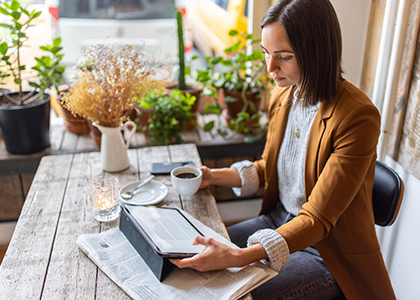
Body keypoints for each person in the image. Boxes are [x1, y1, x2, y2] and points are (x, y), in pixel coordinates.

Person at [170, 0, 396, 299]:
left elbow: (317, 219)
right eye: (266, 54)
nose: (271, 68)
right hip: (277, 220)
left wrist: (238, 257)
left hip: (326, 251)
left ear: (317, 53)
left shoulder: (357, 116)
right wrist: (214, 176)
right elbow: (270, 166)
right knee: (184, 255)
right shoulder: (285, 93)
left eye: (284, 57)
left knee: (224, 290)